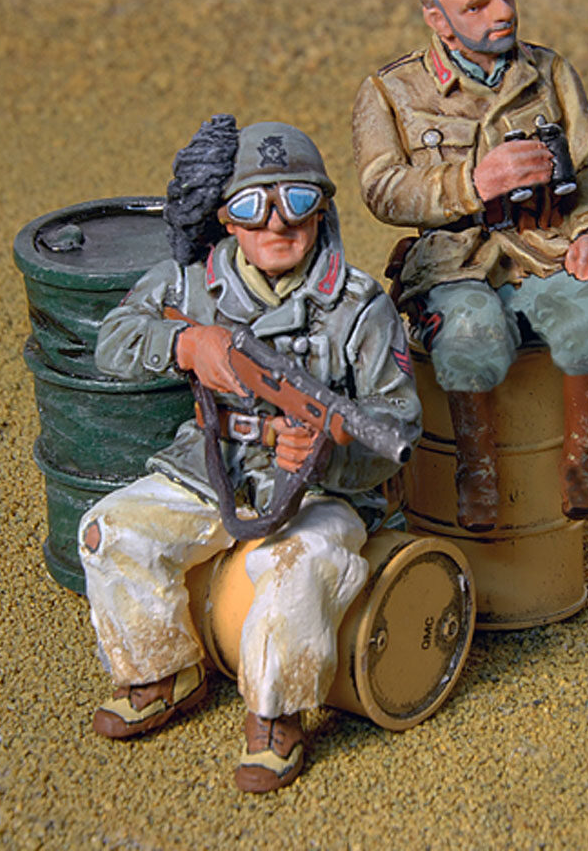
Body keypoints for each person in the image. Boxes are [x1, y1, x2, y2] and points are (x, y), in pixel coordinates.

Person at [78, 116, 421, 792]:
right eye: (251, 205)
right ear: (226, 217)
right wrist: (187, 344)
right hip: (211, 465)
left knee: (296, 566)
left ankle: (276, 714)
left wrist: (322, 456)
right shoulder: (190, 287)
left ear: (320, 211)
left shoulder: (358, 307)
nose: (276, 224)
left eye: (296, 201)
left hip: (320, 490)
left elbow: (396, 424)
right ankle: (160, 671)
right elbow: (112, 341)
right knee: (108, 530)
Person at [352, 0, 588, 532]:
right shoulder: (393, 92)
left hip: (542, 252)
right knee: (470, 334)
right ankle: (475, 470)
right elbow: (382, 189)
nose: (502, 12)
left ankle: (580, 462)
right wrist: (471, 184)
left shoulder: (549, 74)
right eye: (477, 5)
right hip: (455, 266)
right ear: (437, 17)